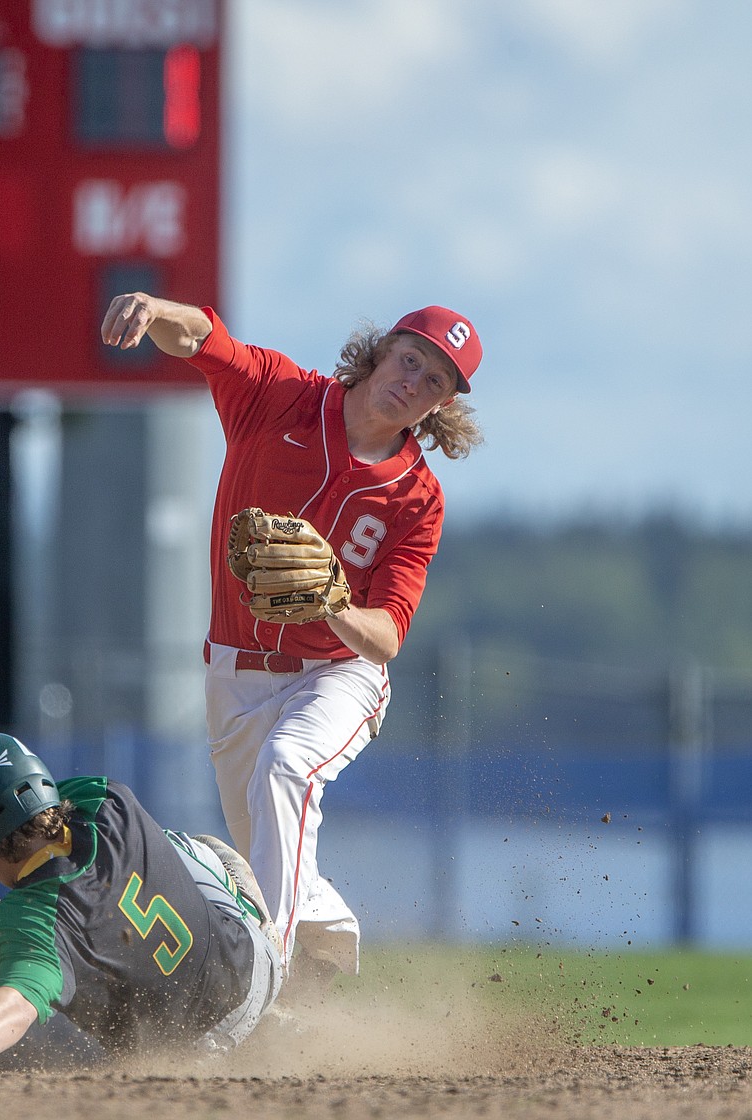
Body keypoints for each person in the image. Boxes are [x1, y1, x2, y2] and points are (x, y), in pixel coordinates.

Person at [99, 294, 484, 985]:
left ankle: (260, 979)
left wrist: (334, 602)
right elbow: (207, 341)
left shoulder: (417, 500)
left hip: (338, 675)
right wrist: (155, 307)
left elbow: (386, 636)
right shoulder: (280, 397)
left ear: (442, 406)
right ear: (383, 350)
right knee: (262, 864)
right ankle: (328, 946)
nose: (413, 382)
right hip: (233, 673)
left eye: (435, 382)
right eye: (411, 360)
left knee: (287, 767)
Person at [0, 732, 282, 1072]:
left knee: (42, 1030)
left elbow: (15, 1000)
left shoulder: (35, 913)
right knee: (187, 845)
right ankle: (281, 934)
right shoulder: (106, 801)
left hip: (198, 1049)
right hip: (258, 965)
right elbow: (9, 802)